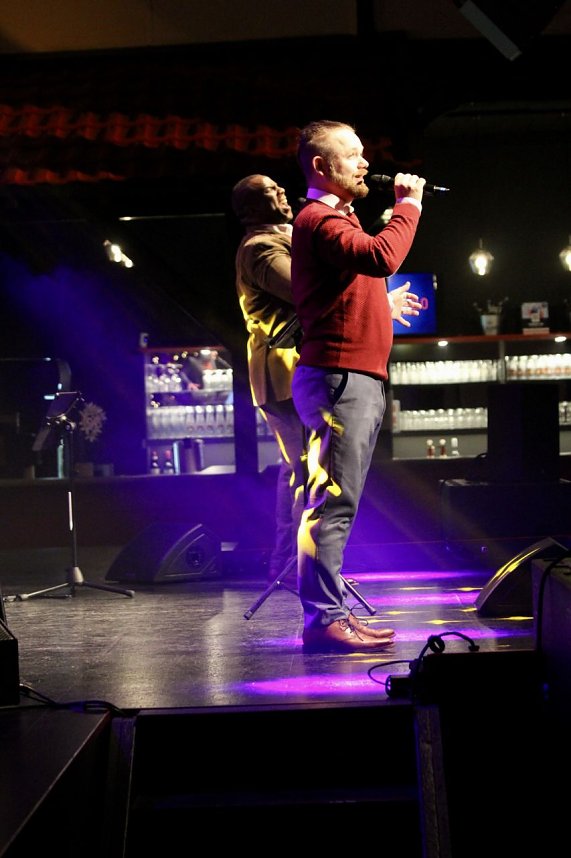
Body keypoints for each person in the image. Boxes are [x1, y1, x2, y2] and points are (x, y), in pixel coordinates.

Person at [291, 120, 425, 652]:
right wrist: (408, 208)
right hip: (340, 379)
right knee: (333, 503)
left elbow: (348, 286)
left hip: (349, 377)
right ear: (322, 166)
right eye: (353, 155)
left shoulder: (335, 220)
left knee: (335, 501)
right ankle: (324, 619)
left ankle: (331, 613)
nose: (365, 162)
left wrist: (380, 306)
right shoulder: (319, 219)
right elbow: (381, 256)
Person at [232, 174, 306, 582]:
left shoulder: (286, 235)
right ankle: (296, 565)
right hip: (282, 373)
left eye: (280, 187)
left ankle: (289, 563)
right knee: (306, 470)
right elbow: (303, 289)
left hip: (291, 370)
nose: (282, 192)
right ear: (250, 210)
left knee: (298, 470)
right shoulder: (260, 247)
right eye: (270, 192)